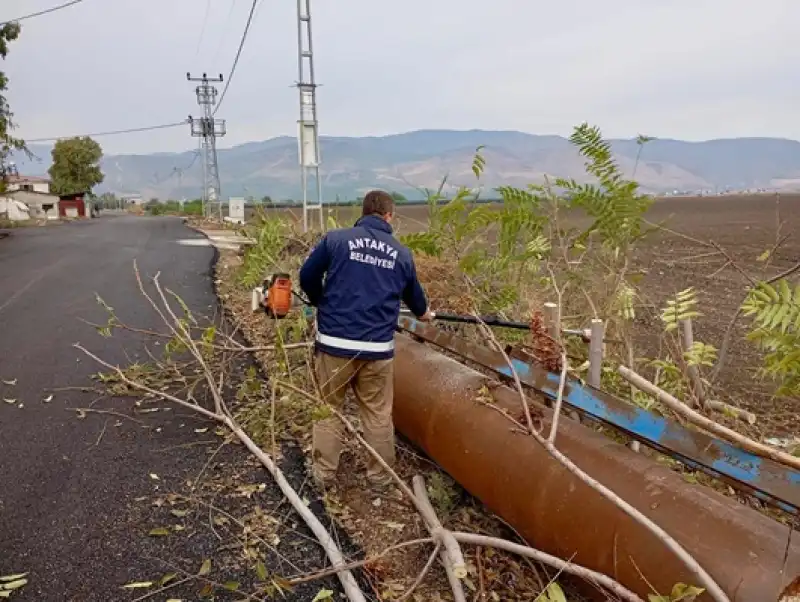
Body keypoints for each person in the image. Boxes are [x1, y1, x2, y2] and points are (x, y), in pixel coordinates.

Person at [299, 190, 433, 489]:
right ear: (389, 216)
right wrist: (425, 315)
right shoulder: (401, 253)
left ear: (363, 213)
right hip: (377, 351)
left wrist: (321, 301)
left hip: (334, 344)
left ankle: (323, 475)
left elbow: (307, 275)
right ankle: (381, 478)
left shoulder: (336, 240)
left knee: (328, 407)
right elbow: (417, 303)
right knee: (377, 414)